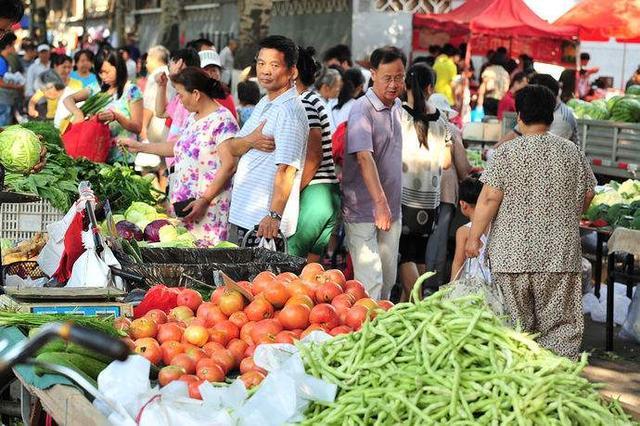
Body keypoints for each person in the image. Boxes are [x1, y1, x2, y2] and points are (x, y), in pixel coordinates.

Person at [465, 84, 597, 360]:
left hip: (512, 256)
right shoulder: (572, 151)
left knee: (514, 331)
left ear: (520, 116)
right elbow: (588, 192)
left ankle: (519, 382)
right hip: (559, 257)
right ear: (551, 116)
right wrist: (567, 217)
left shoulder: (506, 153)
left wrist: (473, 237)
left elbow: (489, 198)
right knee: (561, 328)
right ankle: (555, 382)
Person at [119, 67, 238, 246]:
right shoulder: (193, 117)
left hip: (208, 209)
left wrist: (204, 200)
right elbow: (179, 146)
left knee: (205, 258)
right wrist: (140, 147)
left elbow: (229, 165)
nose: (179, 101)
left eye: (181, 95)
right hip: (186, 206)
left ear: (196, 94)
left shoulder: (223, 121)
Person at [227, 35, 308, 244]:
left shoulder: (289, 111)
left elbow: (287, 169)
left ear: (292, 71)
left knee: (263, 278)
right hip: (246, 217)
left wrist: (274, 216)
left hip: (265, 225)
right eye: (261, 63)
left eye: (274, 65)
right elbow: (233, 147)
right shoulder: (265, 102)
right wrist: (251, 141)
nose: (265, 71)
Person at [342, 46, 406, 300]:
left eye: (399, 77)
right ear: (373, 75)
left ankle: (383, 335)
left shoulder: (398, 105)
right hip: (363, 211)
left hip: (391, 210)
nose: (394, 84)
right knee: (370, 284)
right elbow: (363, 157)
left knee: (388, 281)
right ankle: (364, 336)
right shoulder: (361, 109)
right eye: (387, 78)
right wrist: (379, 203)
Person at [398, 63, 452, 302]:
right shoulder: (442, 120)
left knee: (404, 256)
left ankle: (419, 306)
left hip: (403, 198)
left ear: (405, 84)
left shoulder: (399, 114)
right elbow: (447, 162)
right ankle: (408, 305)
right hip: (430, 203)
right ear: (430, 87)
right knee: (418, 255)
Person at [287, 45, 340, 261]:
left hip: (314, 192)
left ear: (293, 72)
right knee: (310, 271)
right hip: (323, 194)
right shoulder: (312, 99)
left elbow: (314, 156)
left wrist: (291, 195)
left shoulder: (305, 103)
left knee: (291, 263)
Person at [424, 93, 472, 290]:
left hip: (420, 191)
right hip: (444, 192)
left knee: (422, 239)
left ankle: (418, 279)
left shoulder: (419, 123)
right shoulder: (449, 129)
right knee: (439, 238)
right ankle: (433, 284)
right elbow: (463, 166)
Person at [64, 51, 143, 163]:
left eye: (107, 72)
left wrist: (116, 117)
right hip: (96, 155)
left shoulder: (132, 91)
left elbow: (137, 127)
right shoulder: (96, 88)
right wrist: (78, 113)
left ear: (118, 67)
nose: (103, 77)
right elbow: (68, 99)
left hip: (123, 157)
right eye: (100, 72)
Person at [450, 177, 489, 281]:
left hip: (474, 284)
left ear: (463, 204)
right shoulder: (493, 226)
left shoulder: (463, 231)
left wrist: (450, 291)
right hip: (494, 282)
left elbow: (458, 263)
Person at [28, 54, 79, 120]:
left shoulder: (77, 84)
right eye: (64, 67)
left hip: (70, 120)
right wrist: (31, 109)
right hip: (51, 119)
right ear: (55, 66)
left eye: (69, 67)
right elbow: (33, 100)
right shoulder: (48, 83)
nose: (67, 70)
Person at [141, 45, 172, 143]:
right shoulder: (171, 74)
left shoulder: (156, 76)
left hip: (157, 123)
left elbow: (149, 106)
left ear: (153, 59)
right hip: (170, 122)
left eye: (147, 61)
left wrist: (143, 128)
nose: (146, 65)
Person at [198, 50, 237, 119]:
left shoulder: (226, 97)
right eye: (206, 69)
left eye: (214, 70)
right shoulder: (189, 96)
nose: (210, 74)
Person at [478, 52, 510, 117]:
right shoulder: (505, 73)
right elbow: (506, 89)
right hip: (501, 101)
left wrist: (479, 102)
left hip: (489, 100)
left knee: (487, 121)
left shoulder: (489, 70)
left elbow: (487, 87)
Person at [0, 32, 22, 126]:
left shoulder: (4, 59)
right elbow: (0, 82)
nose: (15, 48)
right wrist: (16, 86)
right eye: (14, 44)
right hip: (3, 100)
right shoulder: (1, 61)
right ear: (8, 45)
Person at [314, 67, 342, 131]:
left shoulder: (328, 102)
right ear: (326, 87)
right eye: (337, 86)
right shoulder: (317, 104)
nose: (339, 90)